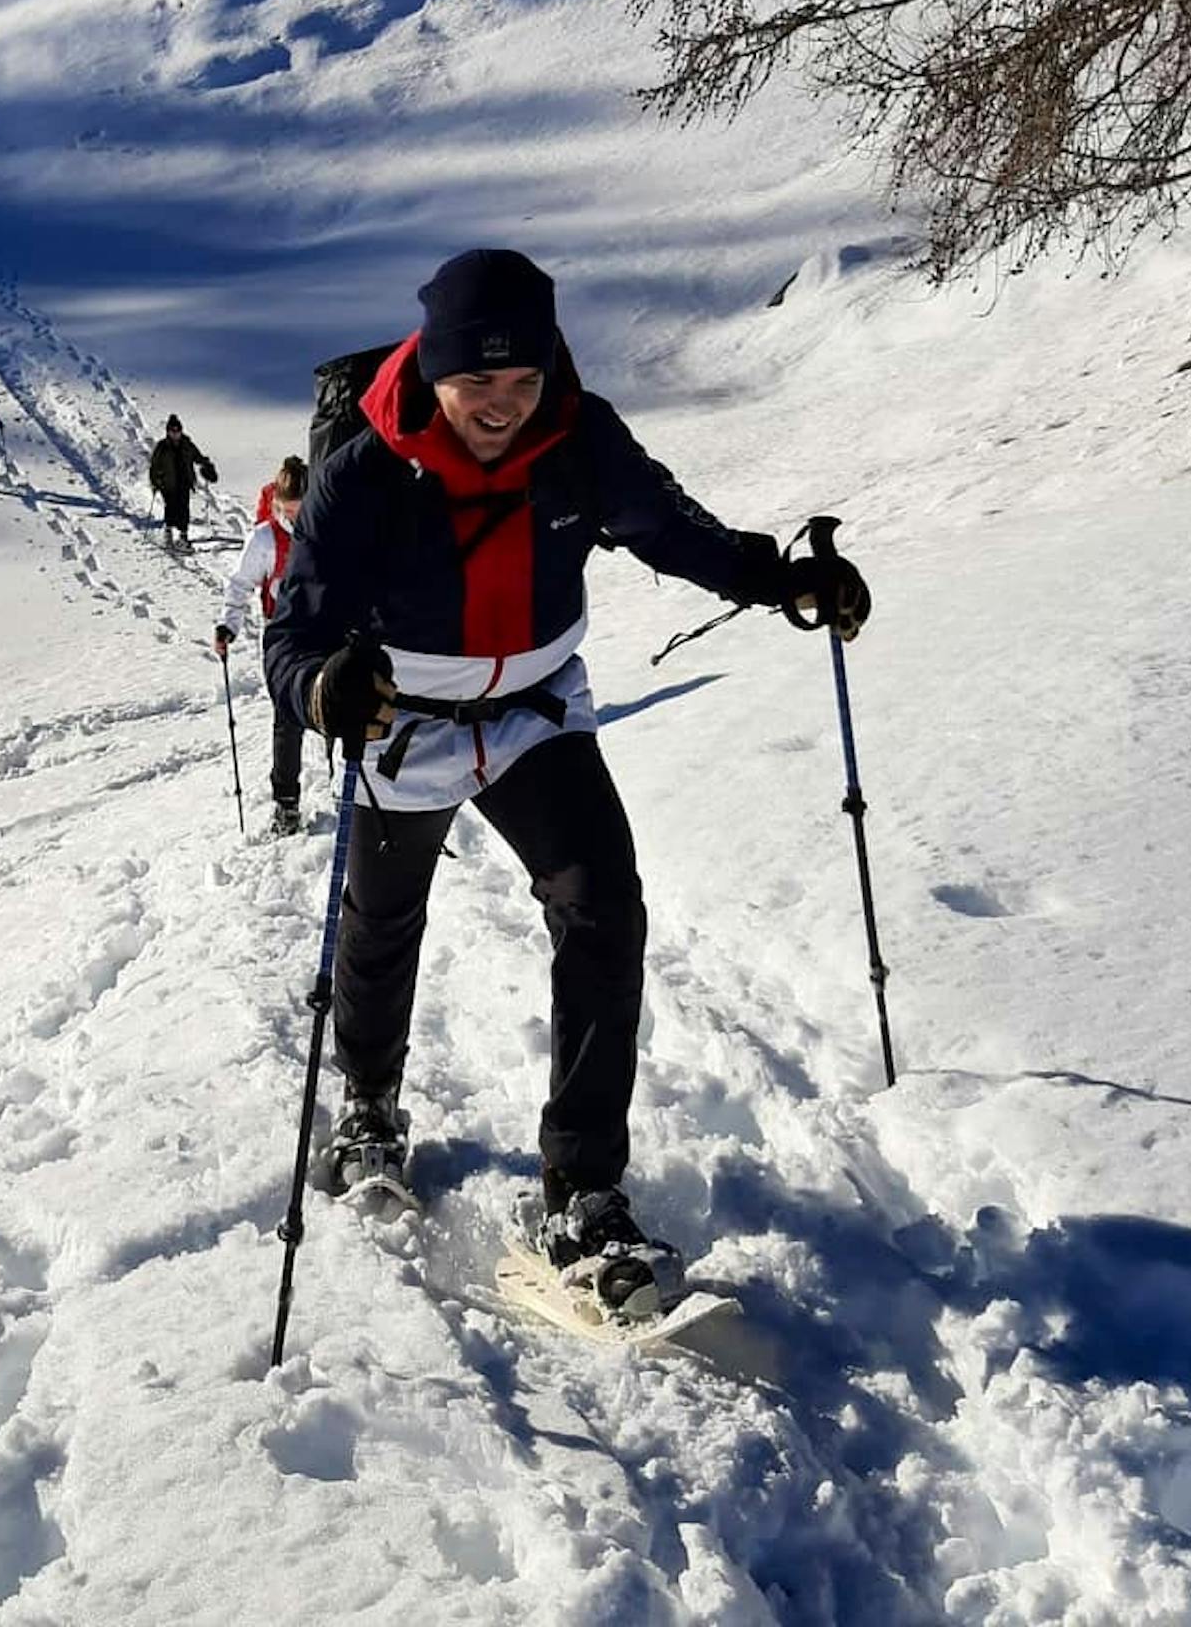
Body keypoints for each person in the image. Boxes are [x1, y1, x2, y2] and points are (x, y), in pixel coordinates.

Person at [262, 248, 870, 1315]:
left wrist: (781, 578)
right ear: (434, 373)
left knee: (602, 907)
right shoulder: (364, 470)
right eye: (475, 384)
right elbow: (294, 633)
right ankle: (366, 1098)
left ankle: (582, 1188)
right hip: (404, 718)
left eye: (521, 380)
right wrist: (322, 687)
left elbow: (668, 531)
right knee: (382, 916)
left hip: (539, 710)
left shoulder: (575, 438)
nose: (500, 406)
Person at [215, 457, 313, 837]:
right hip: (283, 636)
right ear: (276, 505)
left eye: (299, 510)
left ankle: (347, 785)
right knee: (287, 720)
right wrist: (228, 625)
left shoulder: (326, 526)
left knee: (340, 705)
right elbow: (240, 584)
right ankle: (287, 805)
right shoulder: (264, 538)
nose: (293, 517)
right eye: (287, 510)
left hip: (322, 630)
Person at [147, 414, 217, 551]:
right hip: (168, 483)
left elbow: (197, 456)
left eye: (177, 431)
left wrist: (206, 464)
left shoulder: (187, 445)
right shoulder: (162, 447)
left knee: (184, 509)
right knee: (171, 507)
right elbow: (154, 466)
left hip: (184, 482)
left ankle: (183, 537)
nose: (175, 434)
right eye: (172, 431)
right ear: (168, 432)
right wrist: (155, 482)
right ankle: (168, 533)